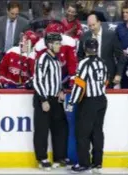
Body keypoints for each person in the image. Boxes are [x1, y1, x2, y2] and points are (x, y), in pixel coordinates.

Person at [67, 38, 108, 173]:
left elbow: (79, 85)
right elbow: (106, 81)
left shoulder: (84, 63)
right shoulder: (102, 62)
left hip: (89, 101)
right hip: (101, 99)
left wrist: (72, 102)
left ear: (85, 49)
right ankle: (97, 163)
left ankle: (84, 164)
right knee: (97, 132)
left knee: (82, 133)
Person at [32, 32, 69, 170]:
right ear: (49, 44)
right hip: (45, 99)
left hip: (55, 99)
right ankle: (41, 158)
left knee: (60, 128)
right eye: (57, 43)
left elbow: (57, 80)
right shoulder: (43, 58)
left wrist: (61, 91)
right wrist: (43, 99)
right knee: (42, 130)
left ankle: (59, 157)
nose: (60, 46)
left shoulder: (56, 59)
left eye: (60, 43)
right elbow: (37, 80)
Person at [78, 13, 125, 88]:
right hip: (90, 77)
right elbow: (80, 56)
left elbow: (121, 56)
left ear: (99, 22)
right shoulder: (84, 37)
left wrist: (118, 74)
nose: (92, 28)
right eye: (90, 26)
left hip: (108, 77)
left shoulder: (111, 35)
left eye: (94, 25)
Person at [34, 21, 78, 88]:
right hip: (48, 79)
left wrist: (72, 77)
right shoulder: (40, 46)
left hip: (65, 76)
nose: (53, 39)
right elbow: (38, 70)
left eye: (55, 36)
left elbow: (72, 63)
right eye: (51, 36)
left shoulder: (68, 43)